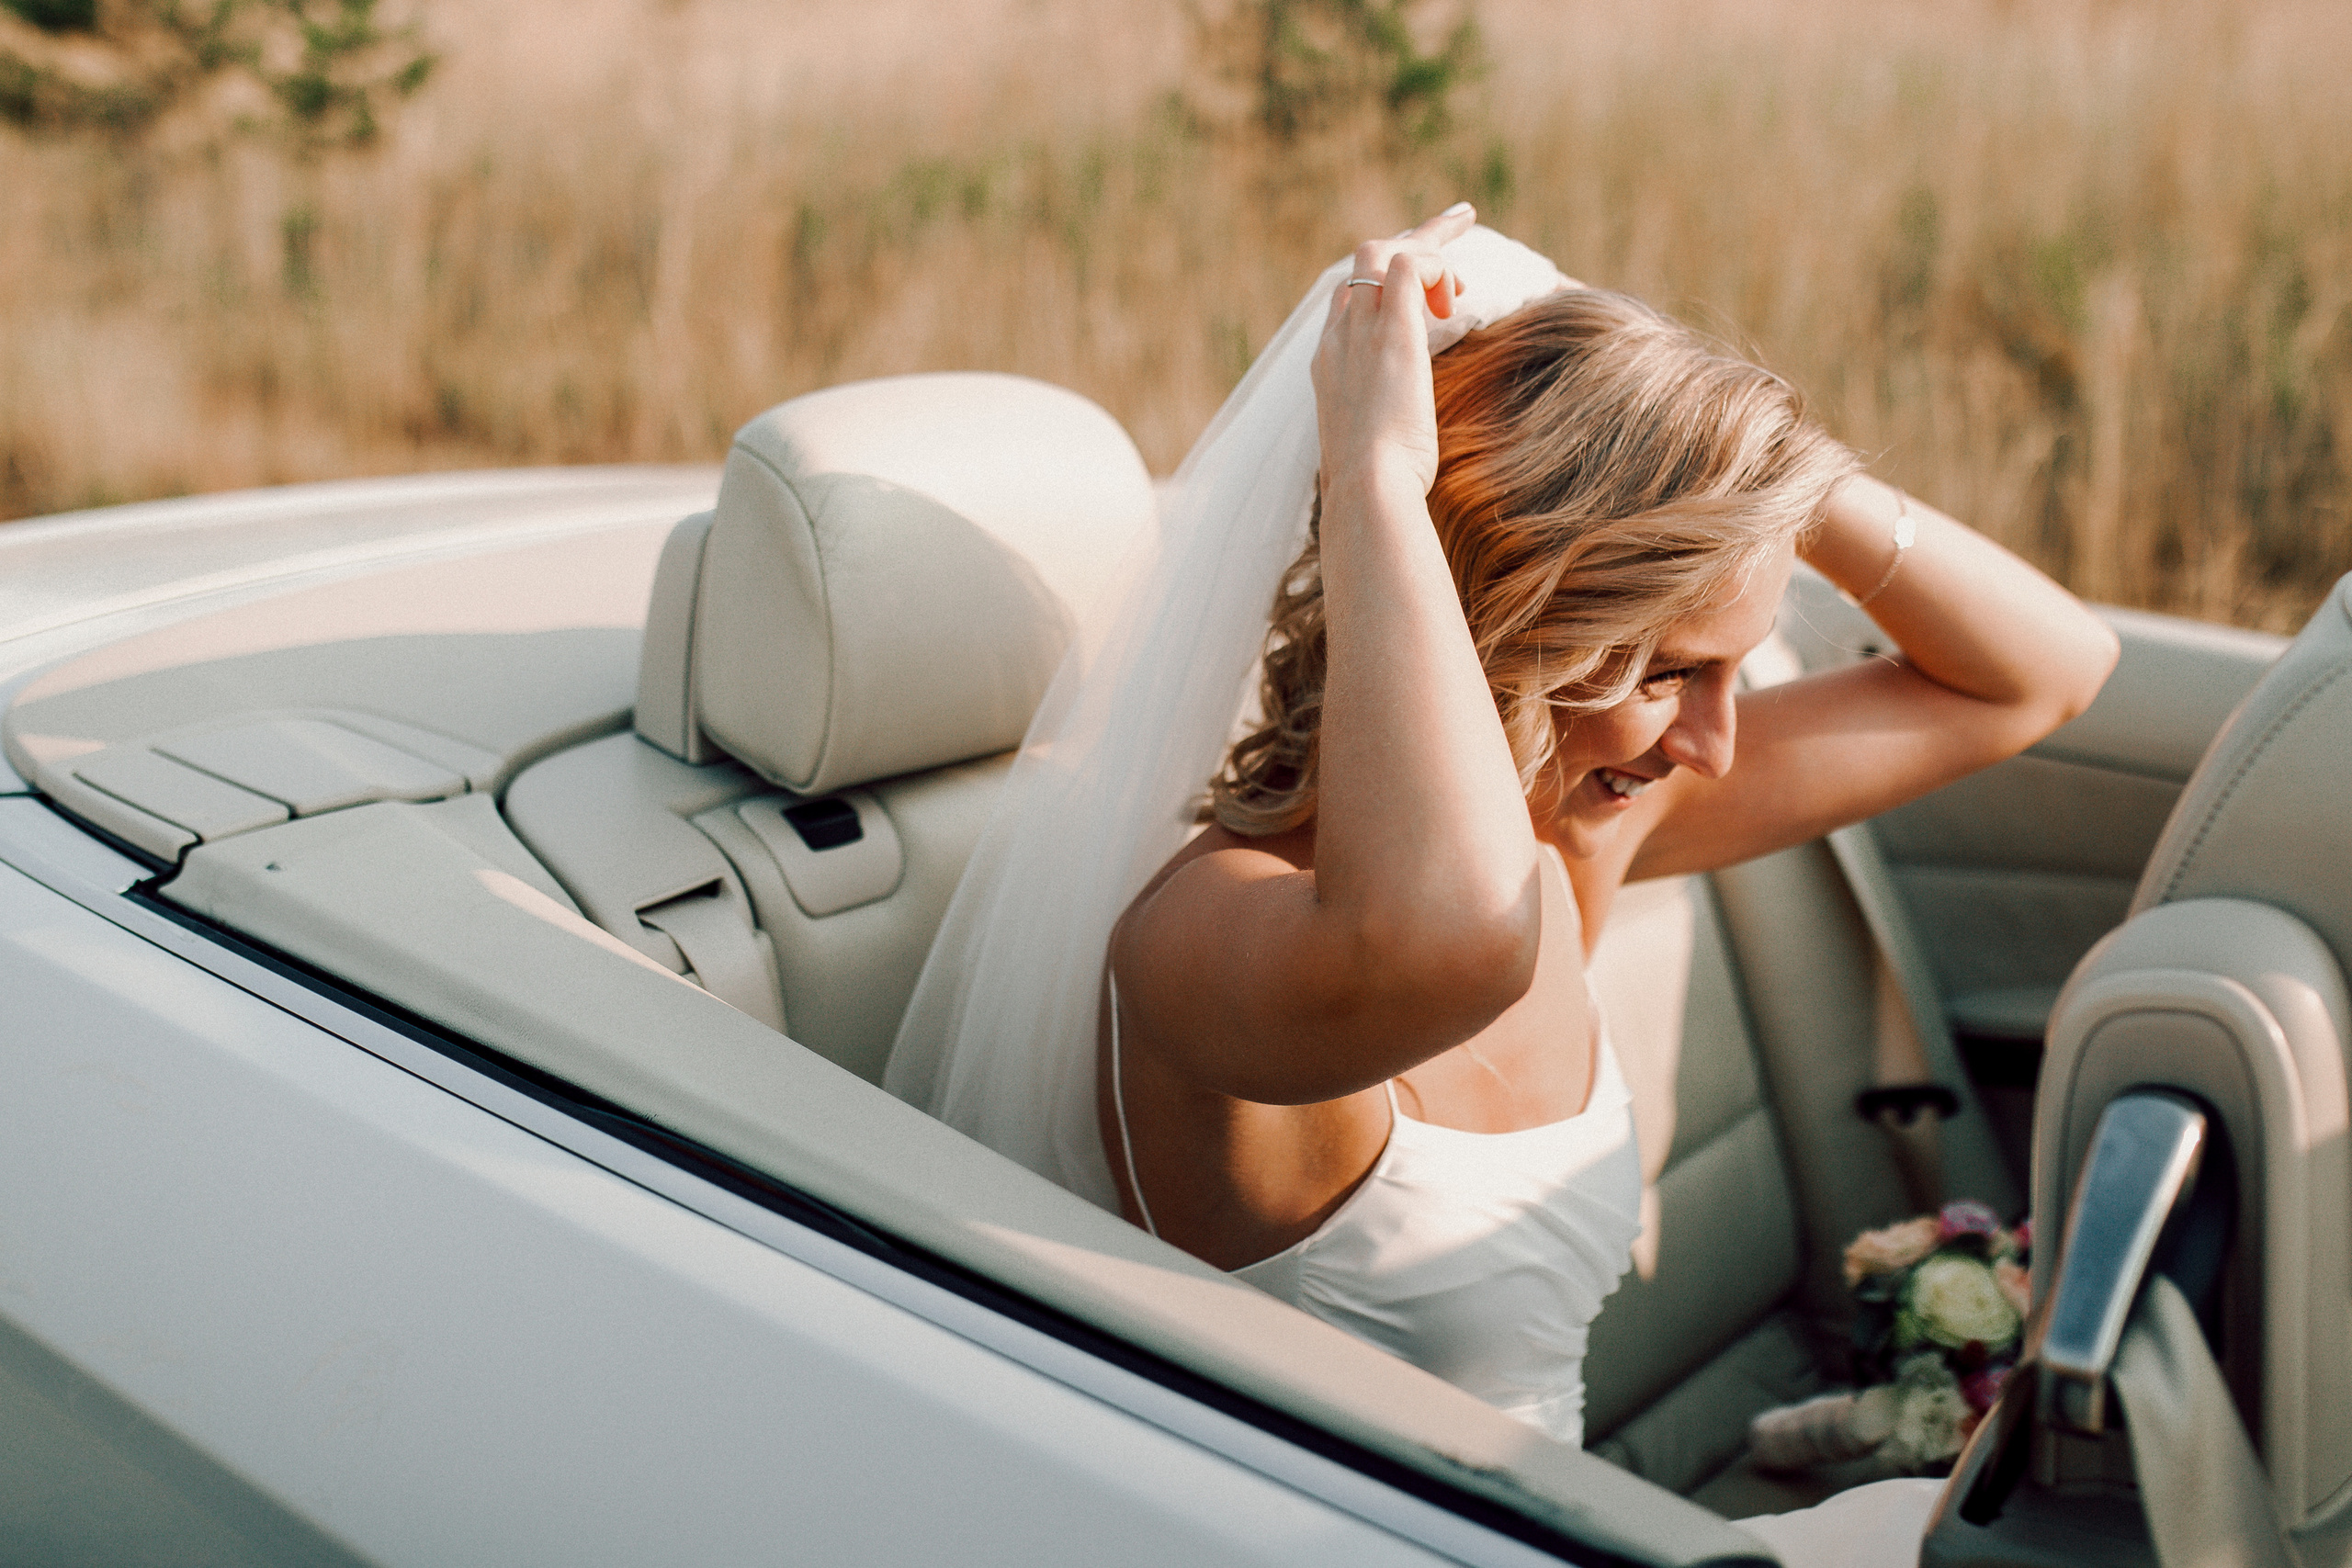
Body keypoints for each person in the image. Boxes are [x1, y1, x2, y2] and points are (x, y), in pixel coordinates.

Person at [886, 203, 2117, 1556]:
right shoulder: (1201, 937)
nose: (1715, 742)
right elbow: (1450, 931)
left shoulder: (1571, 835)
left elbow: (2044, 672)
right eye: (1671, 670)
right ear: (1506, 621)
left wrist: (1752, 455)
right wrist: (1378, 476)